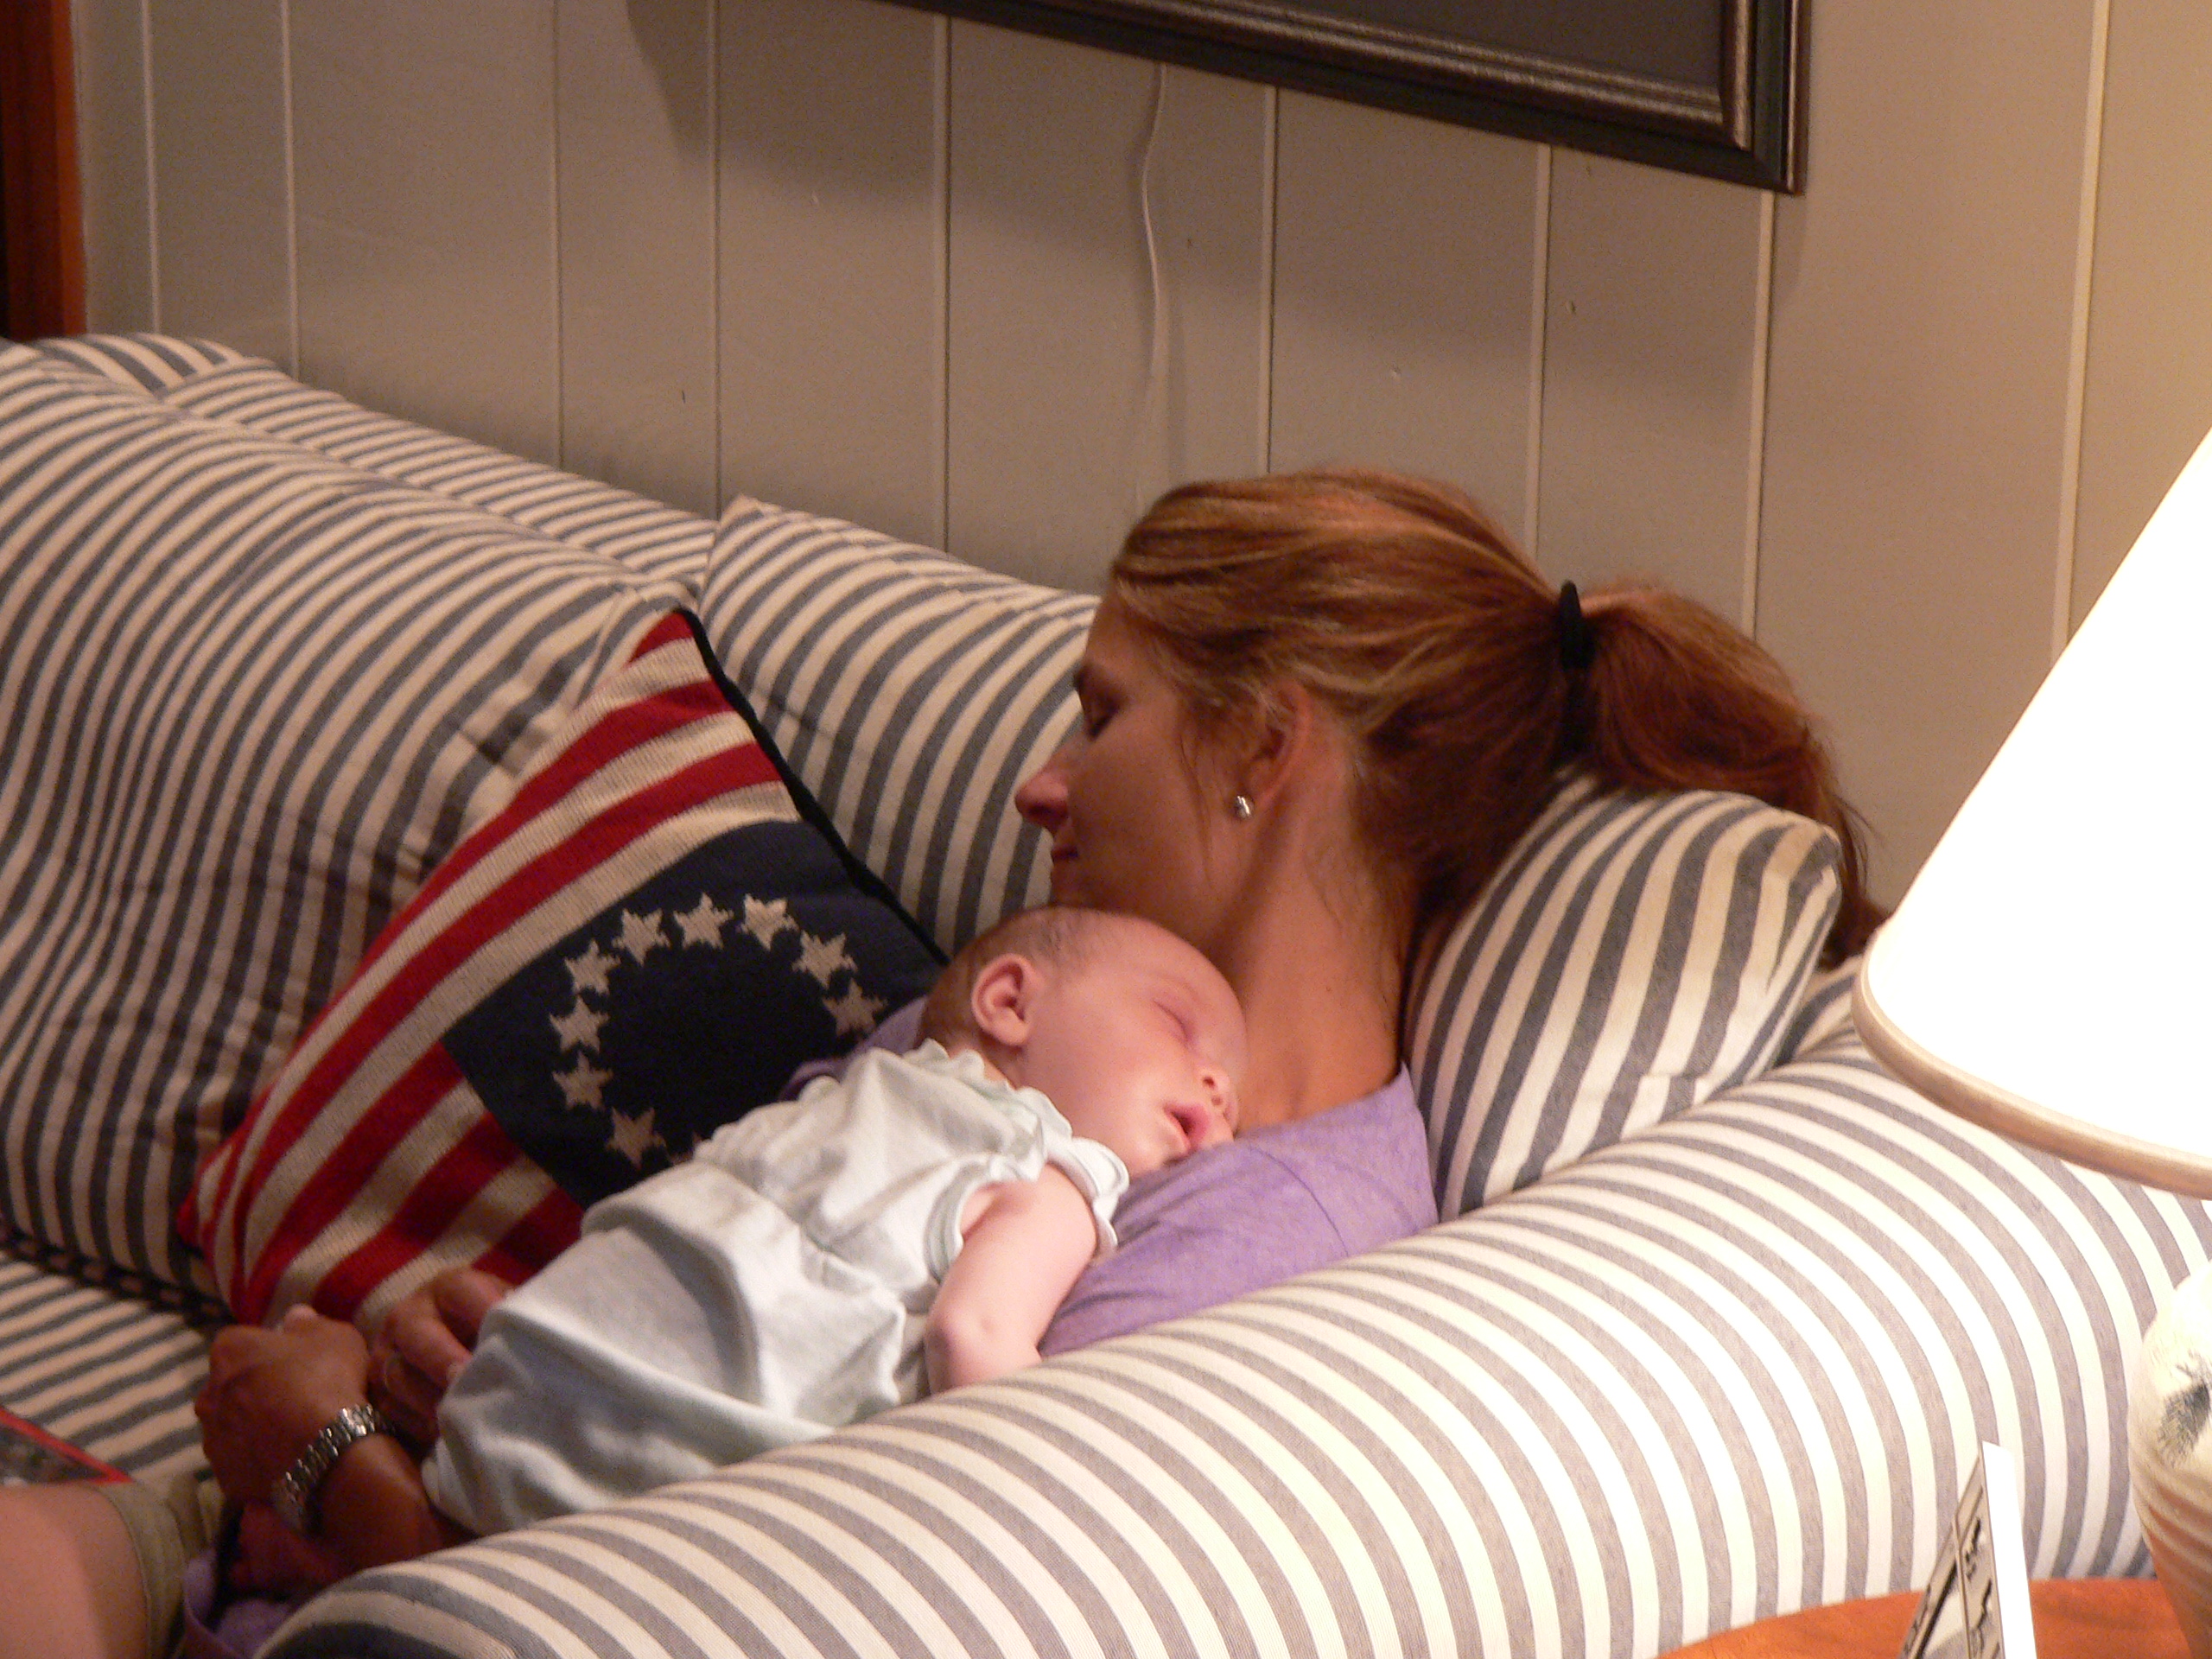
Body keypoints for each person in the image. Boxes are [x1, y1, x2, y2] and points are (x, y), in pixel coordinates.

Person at [2, 465, 1879, 1659]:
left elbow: (837, 1606)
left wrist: (332, 1465)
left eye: (1102, 712)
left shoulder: (1253, 1252)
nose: (1038, 785)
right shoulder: (1033, 1029)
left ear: (1265, 748)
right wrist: (481, 1364)